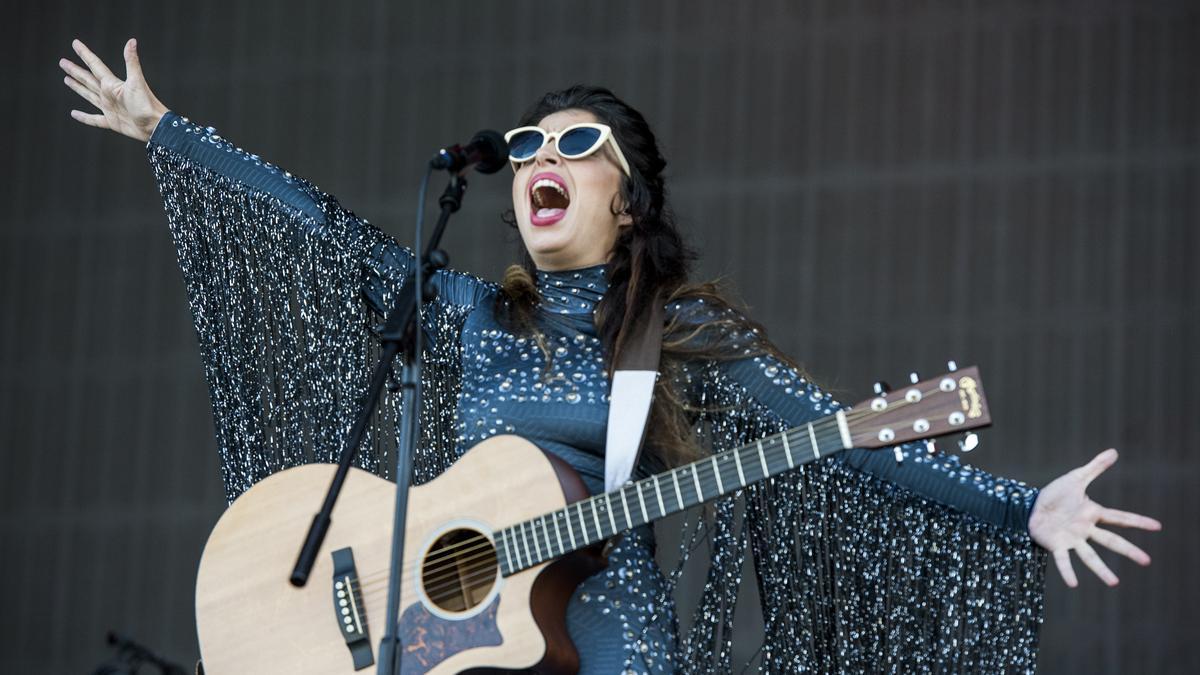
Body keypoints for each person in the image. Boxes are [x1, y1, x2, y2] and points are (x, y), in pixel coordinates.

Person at [61, 38, 1162, 673]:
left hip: (607, 623)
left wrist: (1022, 509)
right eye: (529, 147)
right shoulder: (474, 311)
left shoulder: (674, 335)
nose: (540, 156)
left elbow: (842, 441)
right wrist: (169, 131)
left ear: (627, 203)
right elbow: (326, 232)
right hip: (446, 630)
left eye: (574, 146)